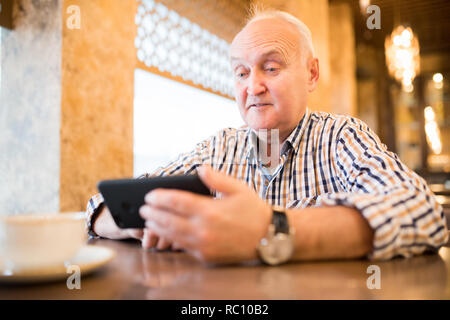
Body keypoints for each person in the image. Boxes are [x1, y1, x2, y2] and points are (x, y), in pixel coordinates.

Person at [86, 9, 448, 265]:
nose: (252, 87)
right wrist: (139, 223)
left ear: (311, 74)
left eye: (270, 68)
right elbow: (104, 204)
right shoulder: (219, 147)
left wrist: (271, 229)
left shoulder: (341, 136)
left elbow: (424, 212)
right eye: (241, 73)